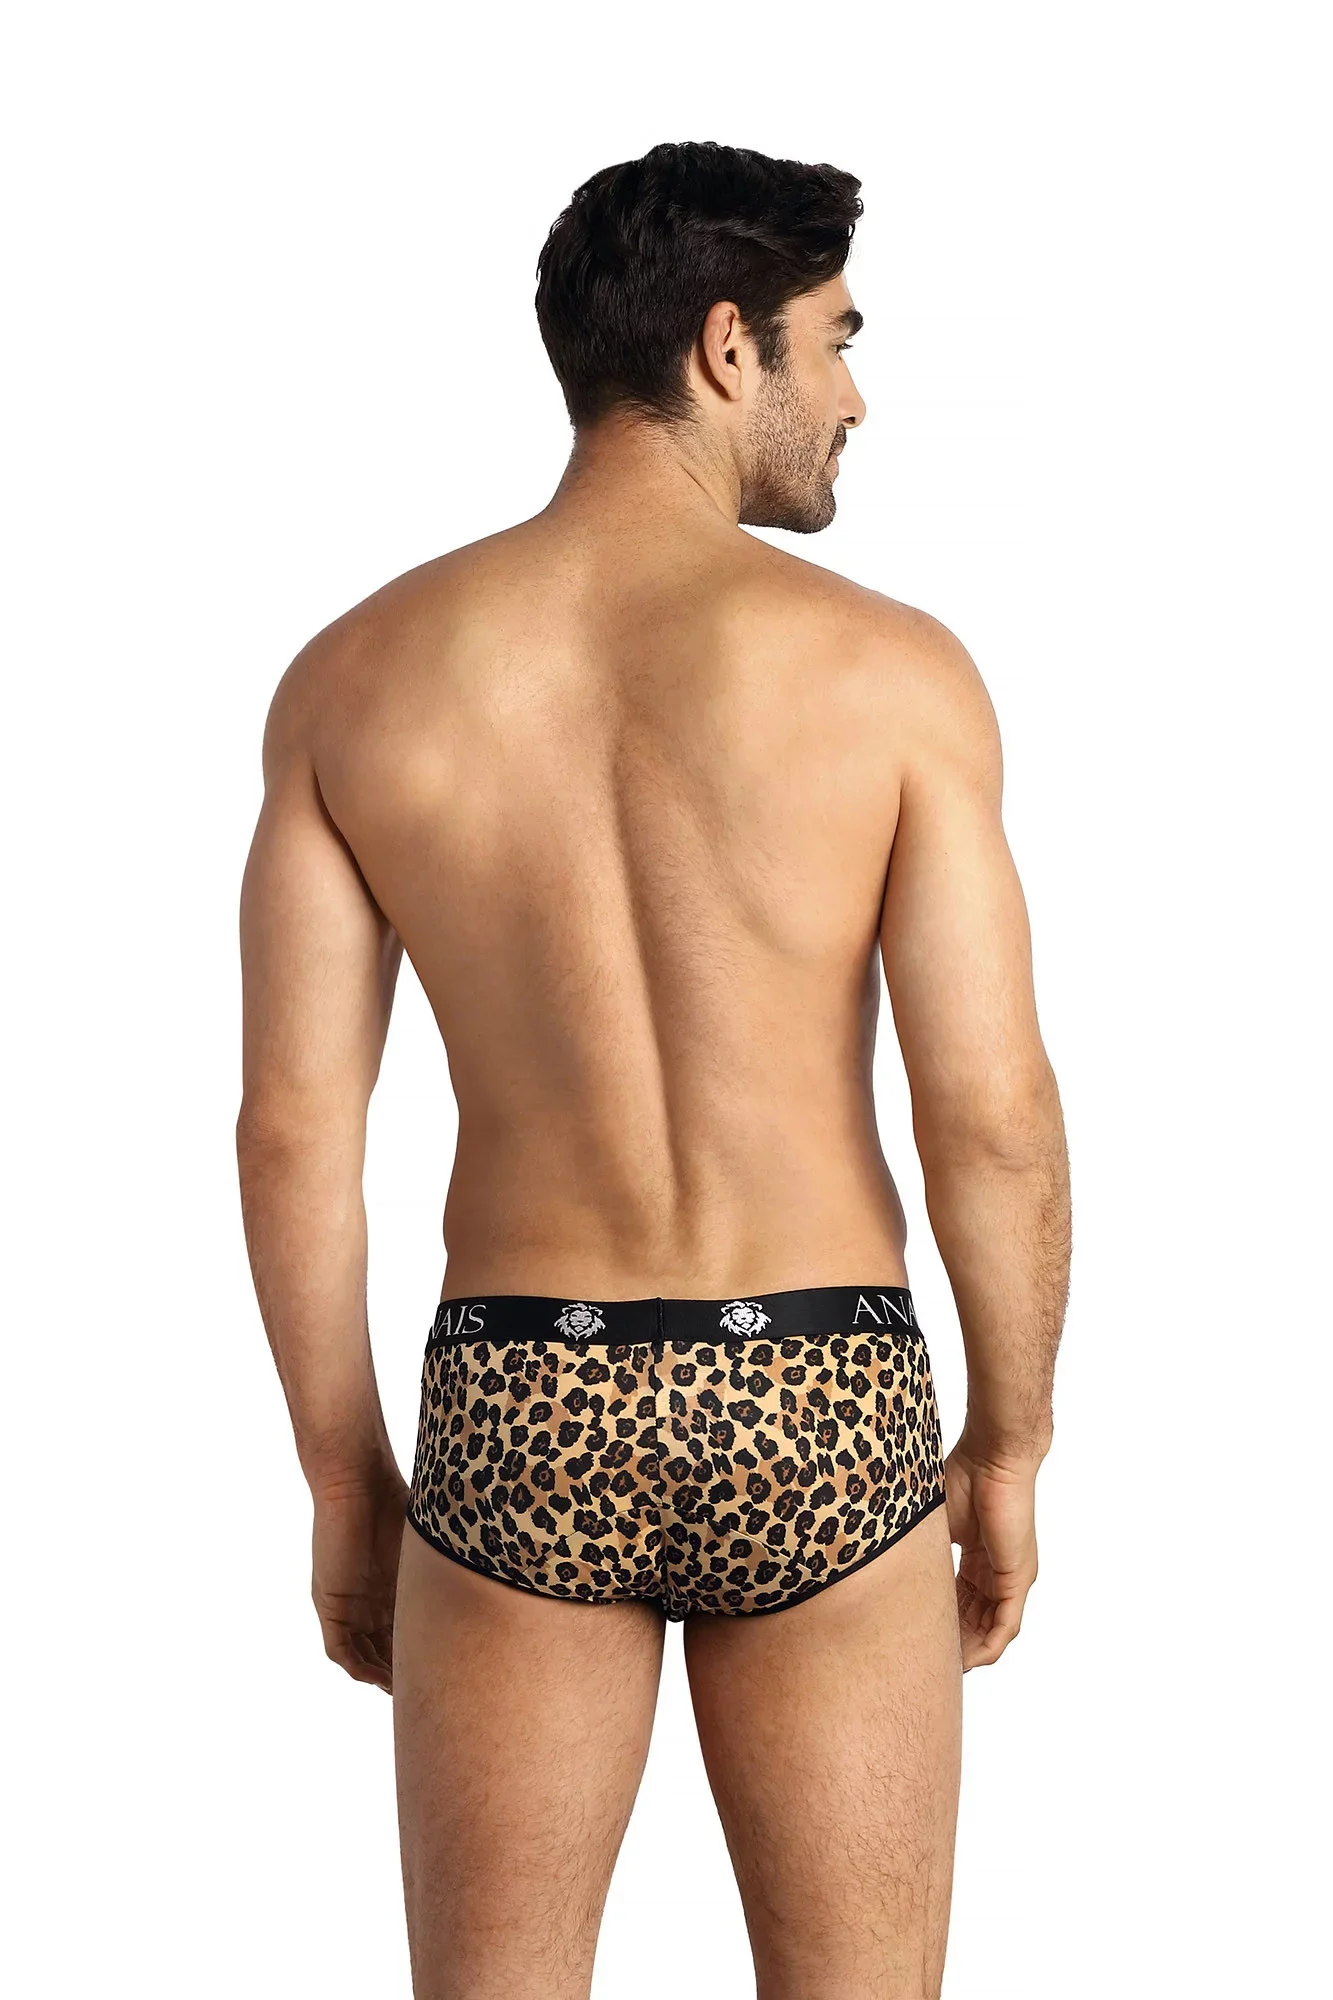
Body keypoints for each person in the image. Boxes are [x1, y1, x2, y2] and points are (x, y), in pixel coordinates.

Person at [236, 140, 1070, 2000]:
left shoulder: (357, 679)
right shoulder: (892, 676)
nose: (853, 398)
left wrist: (347, 1484)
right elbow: (992, 1115)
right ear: (724, 346)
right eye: (836, 342)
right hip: (818, 1386)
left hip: (524, 1390)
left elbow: (295, 1134)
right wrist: (1010, 1443)